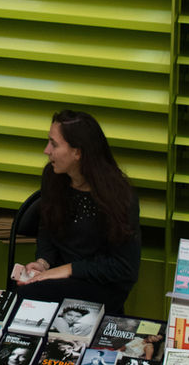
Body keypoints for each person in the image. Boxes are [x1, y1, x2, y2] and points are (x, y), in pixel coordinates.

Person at [13, 109, 140, 313]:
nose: (47, 150)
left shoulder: (118, 196)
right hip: (58, 278)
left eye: (54, 144)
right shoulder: (53, 177)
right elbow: (47, 229)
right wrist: (43, 263)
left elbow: (124, 267)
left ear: (78, 152)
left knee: (28, 296)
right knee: (24, 295)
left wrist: (67, 270)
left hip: (101, 285)